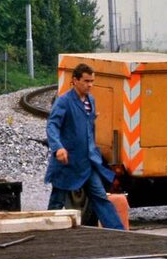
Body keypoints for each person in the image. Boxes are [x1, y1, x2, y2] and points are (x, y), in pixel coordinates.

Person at [44, 64, 126, 230]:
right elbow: (52, 125)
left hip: (87, 162)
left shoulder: (91, 101)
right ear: (75, 80)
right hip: (67, 162)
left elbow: (88, 128)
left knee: (100, 197)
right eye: (86, 81)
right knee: (57, 201)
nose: (90, 85)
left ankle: (119, 232)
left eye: (92, 81)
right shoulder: (64, 101)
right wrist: (58, 147)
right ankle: (47, 231)